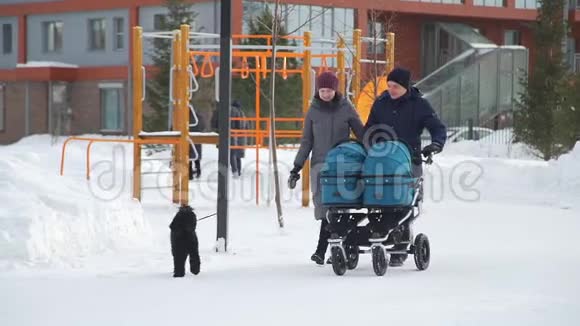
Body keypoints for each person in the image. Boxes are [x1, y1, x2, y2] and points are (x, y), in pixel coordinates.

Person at [364, 67, 447, 267]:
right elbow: (369, 129)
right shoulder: (381, 103)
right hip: (382, 162)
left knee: (404, 203)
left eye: (396, 86)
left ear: (406, 87)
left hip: (409, 161)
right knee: (379, 201)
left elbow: (437, 127)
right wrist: (367, 147)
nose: (391, 90)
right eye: (389, 85)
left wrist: (436, 144)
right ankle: (382, 234)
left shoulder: (419, 105)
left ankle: (400, 244)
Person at [288, 71, 365, 265]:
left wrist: (371, 152)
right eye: (322, 90)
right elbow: (306, 142)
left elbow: (361, 133)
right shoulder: (313, 111)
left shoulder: (346, 108)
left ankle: (326, 250)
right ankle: (328, 249)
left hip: (343, 166)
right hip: (320, 167)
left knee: (341, 208)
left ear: (335, 90)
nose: (325, 94)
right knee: (325, 209)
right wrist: (296, 168)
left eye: (329, 90)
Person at [210, 100, 248, 178]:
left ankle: (224, 172)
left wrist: (218, 129)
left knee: (224, 154)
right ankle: (236, 171)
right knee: (234, 154)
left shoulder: (220, 110)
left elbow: (214, 123)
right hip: (236, 135)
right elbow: (241, 125)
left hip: (224, 133)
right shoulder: (239, 112)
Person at [188, 110, 205, 180]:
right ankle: (198, 171)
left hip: (188, 138)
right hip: (197, 138)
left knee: (188, 156)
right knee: (196, 156)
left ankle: (190, 174)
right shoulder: (199, 117)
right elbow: (203, 126)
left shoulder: (183, 116)